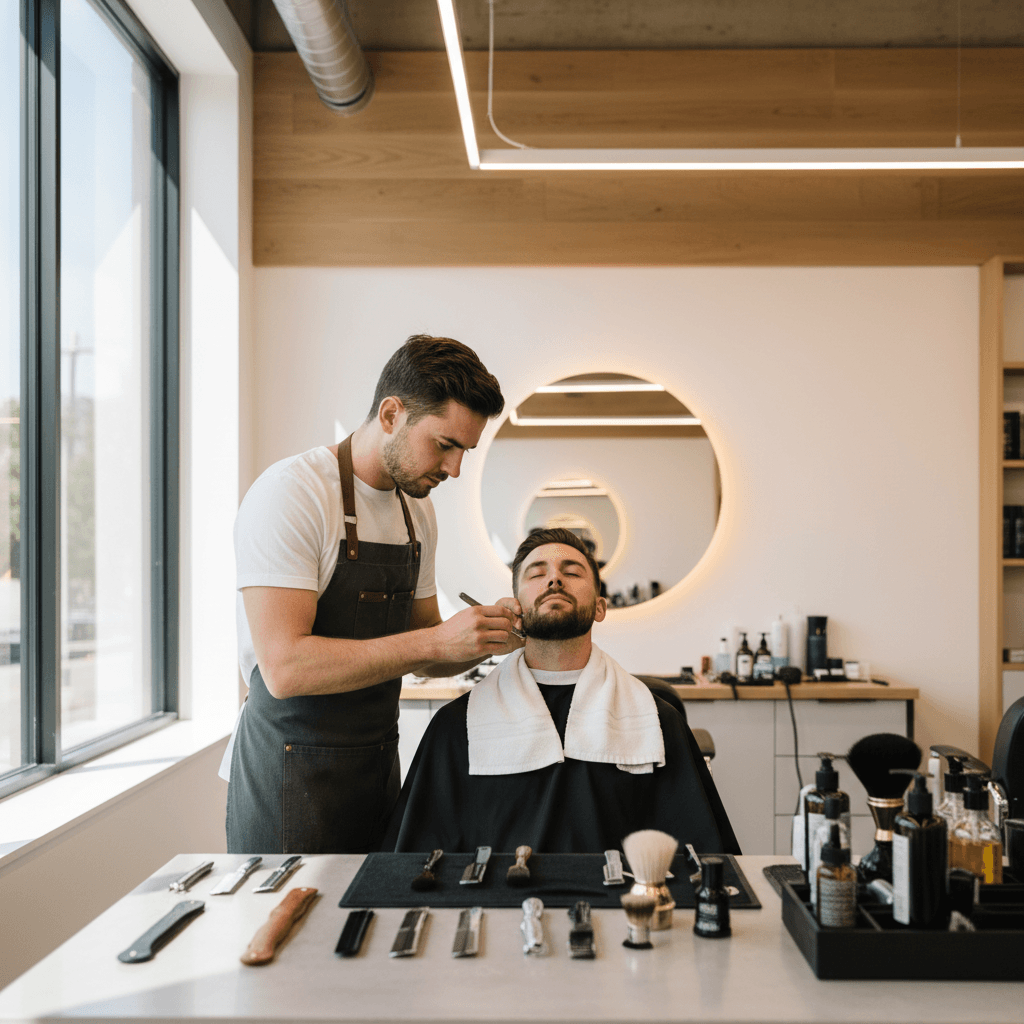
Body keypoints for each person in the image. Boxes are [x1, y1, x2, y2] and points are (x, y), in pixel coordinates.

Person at [224, 335, 523, 855]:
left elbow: (429, 654)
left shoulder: (418, 513)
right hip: (286, 775)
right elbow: (285, 667)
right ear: (390, 414)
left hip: (375, 768)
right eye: (445, 445)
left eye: (465, 452)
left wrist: (482, 637)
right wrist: (434, 644)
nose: (454, 470)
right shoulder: (292, 494)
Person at [383, 528, 740, 854]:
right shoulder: (456, 727)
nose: (554, 578)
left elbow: (706, 862)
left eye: (572, 572)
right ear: (515, 609)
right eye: (537, 573)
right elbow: (413, 866)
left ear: (600, 607)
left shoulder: (659, 722)